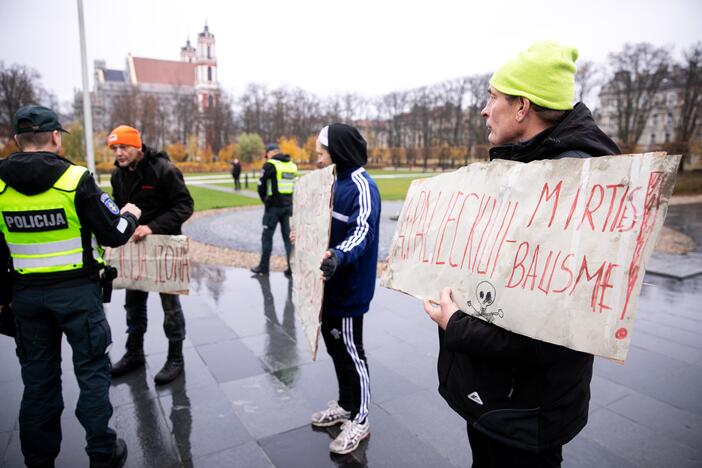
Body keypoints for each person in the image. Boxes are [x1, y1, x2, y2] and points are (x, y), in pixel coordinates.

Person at [423, 41, 621, 468]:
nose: (483, 109)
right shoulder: (530, 170)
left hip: (526, 404)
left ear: (522, 107)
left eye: (493, 96)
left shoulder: (571, 184)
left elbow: (546, 331)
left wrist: (454, 324)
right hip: (504, 396)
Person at [0, 105, 142, 468]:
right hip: (78, 295)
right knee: (92, 373)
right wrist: (130, 215)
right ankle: (102, 452)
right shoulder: (75, 180)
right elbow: (115, 232)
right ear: (54, 137)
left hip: (26, 298)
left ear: (18, 140)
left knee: (38, 382)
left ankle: (38, 458)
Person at [309, 123, 381, 455]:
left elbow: (361, 232)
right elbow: (318, 222)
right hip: (327, 286)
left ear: (338, 150)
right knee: (336, 350)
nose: (317, 155)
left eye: (322, 150)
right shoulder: (329, 182)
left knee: (353, 353)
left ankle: (362, 418)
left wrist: (339, 254)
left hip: (349, 288)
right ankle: (345, 404)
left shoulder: (362, 187)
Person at [107, 125, 194, 385]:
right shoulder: (117, 176)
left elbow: (185, 206)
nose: (119, 153)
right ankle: (134, 352)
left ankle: (175, 357)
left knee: (170, 307)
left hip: (164, 245)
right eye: (114, 148)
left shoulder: (164, 170)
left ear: (138, 146)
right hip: (134, 248)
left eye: (123, 147)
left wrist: (152, 227)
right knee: (133, 304)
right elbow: (117, 207)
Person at [251, 143, 297, 276]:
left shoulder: (270, 165)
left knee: (267, 238)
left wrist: (266, 201)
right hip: (289, 207)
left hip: (273, 208)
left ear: (270, 153)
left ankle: (263, 268)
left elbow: (261, 186)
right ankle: (291, 268)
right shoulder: (292, 165)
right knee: (289, 240)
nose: (266, 158)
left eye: (267, 155)